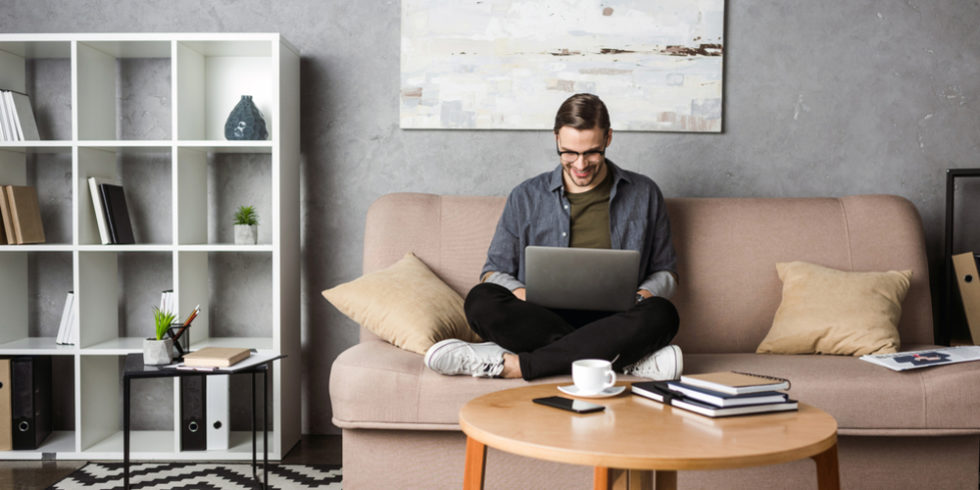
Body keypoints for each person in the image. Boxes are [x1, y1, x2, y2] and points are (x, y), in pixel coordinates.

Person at [424, 93, 682, 381]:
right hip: (540, 319)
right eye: (569, 152)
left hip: (615, 320)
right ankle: (622, 360)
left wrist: (641, 296)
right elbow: (493, 272)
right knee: (480, 301)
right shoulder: (526, 195)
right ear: (557, 139)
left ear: (608, 138)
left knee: (662, 314)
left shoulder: (644, 193)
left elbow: (666, 272)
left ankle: (522, 365)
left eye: (592, 152)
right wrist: (523, 294)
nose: (581, 164)